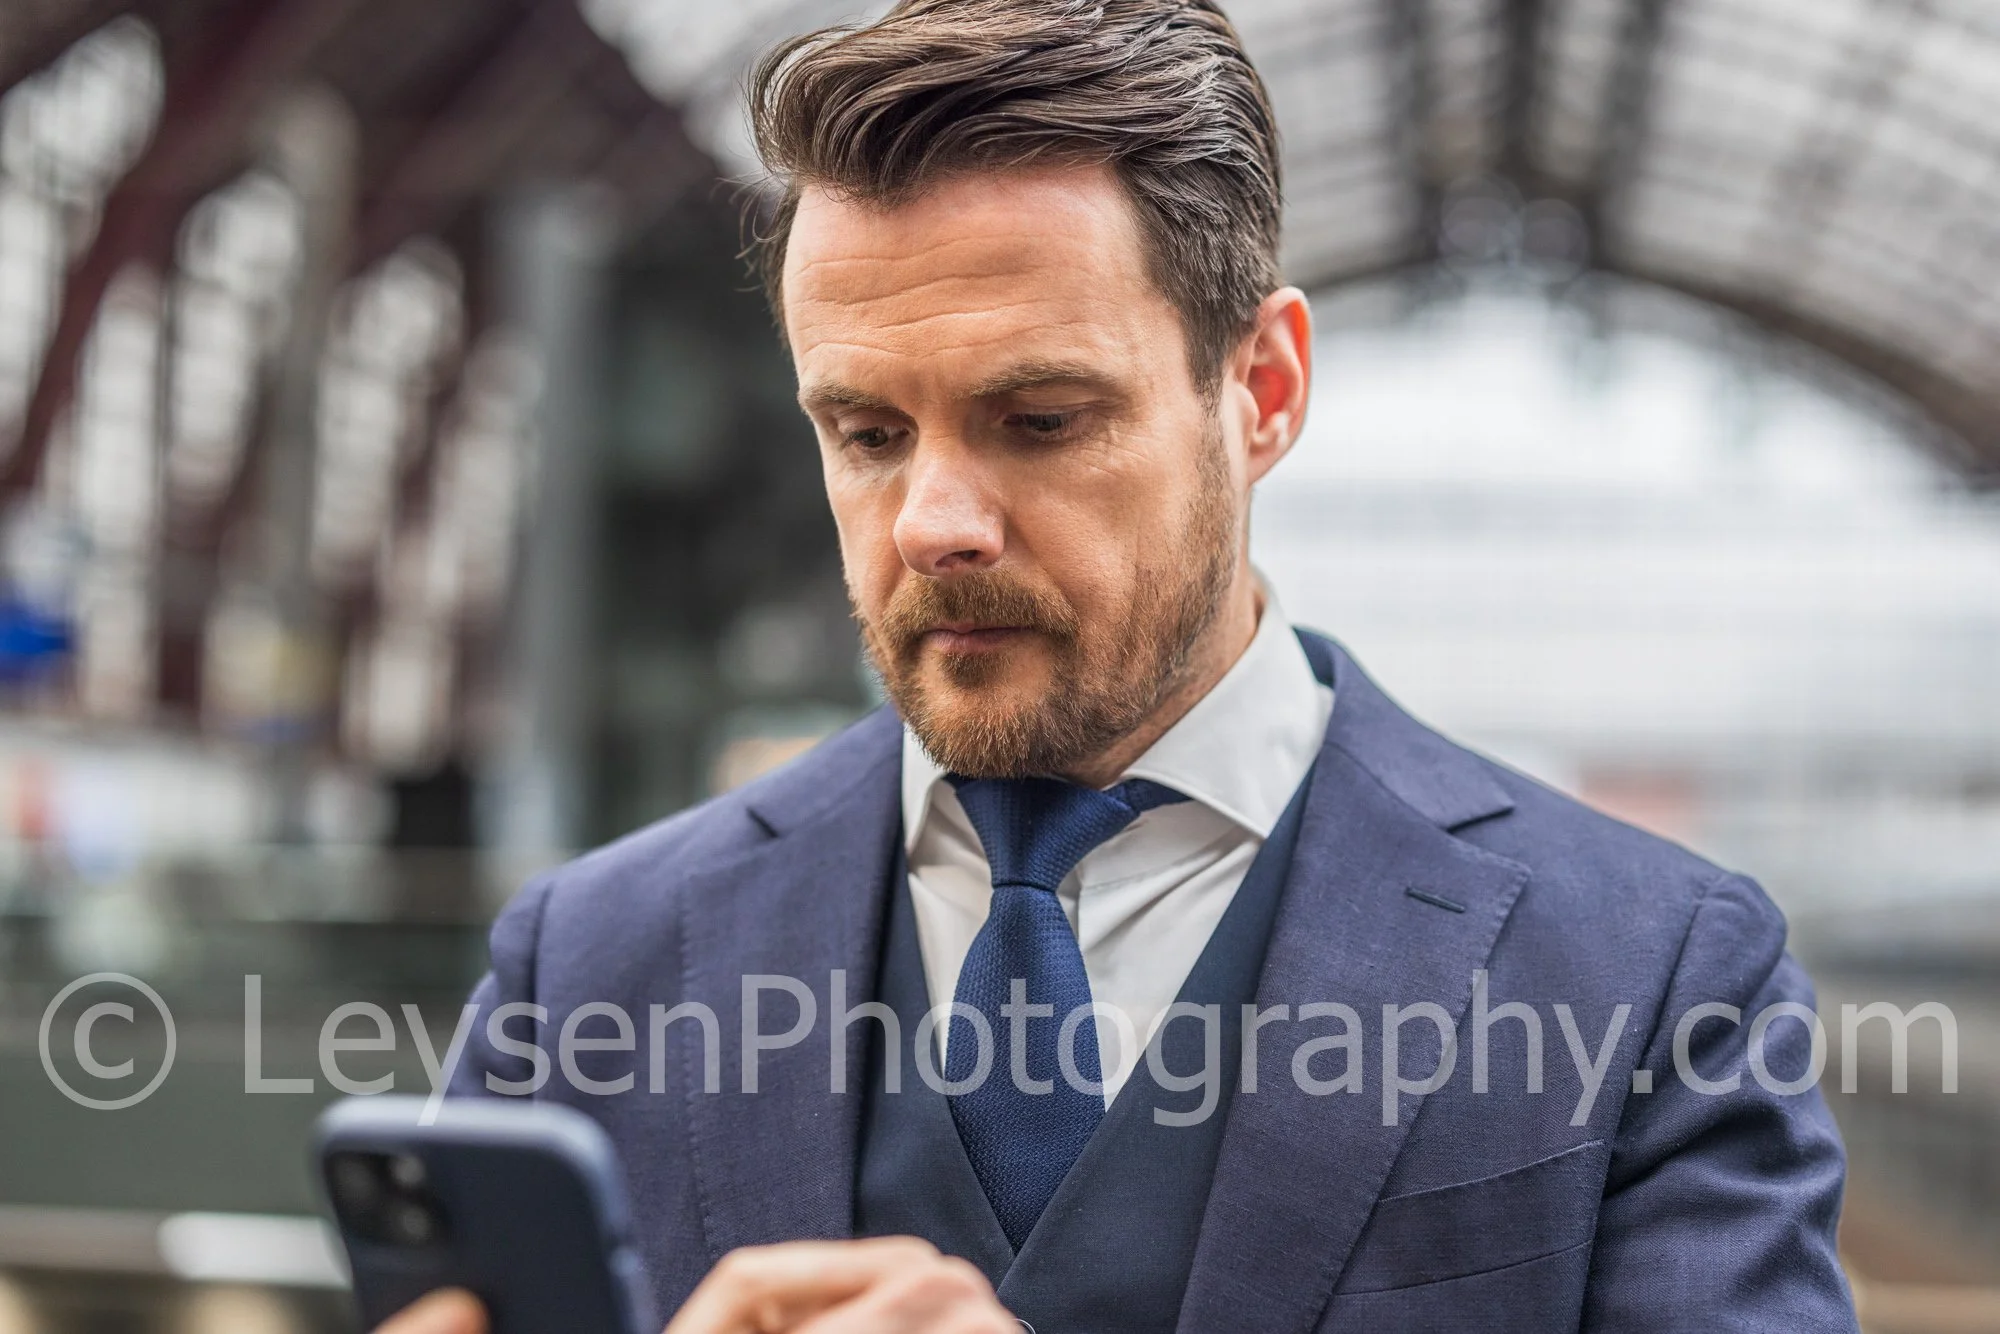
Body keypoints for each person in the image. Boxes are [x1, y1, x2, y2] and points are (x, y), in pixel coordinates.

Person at [384, 1, 1859, 1329]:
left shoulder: (1648, 979)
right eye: (868, 434)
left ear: (1262, 388)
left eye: (1040, 420)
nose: (935, 523)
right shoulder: (592, 963)